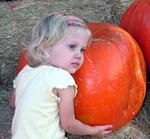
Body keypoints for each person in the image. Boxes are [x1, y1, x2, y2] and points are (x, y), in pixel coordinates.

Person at [10, 13, 113, 139]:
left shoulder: (26, 71)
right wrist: (93, 131)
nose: (79, 55)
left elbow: (12, 103)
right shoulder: (62, 79)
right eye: (72, 46)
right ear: (45, 44)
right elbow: (69, 125)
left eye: (82, 50)